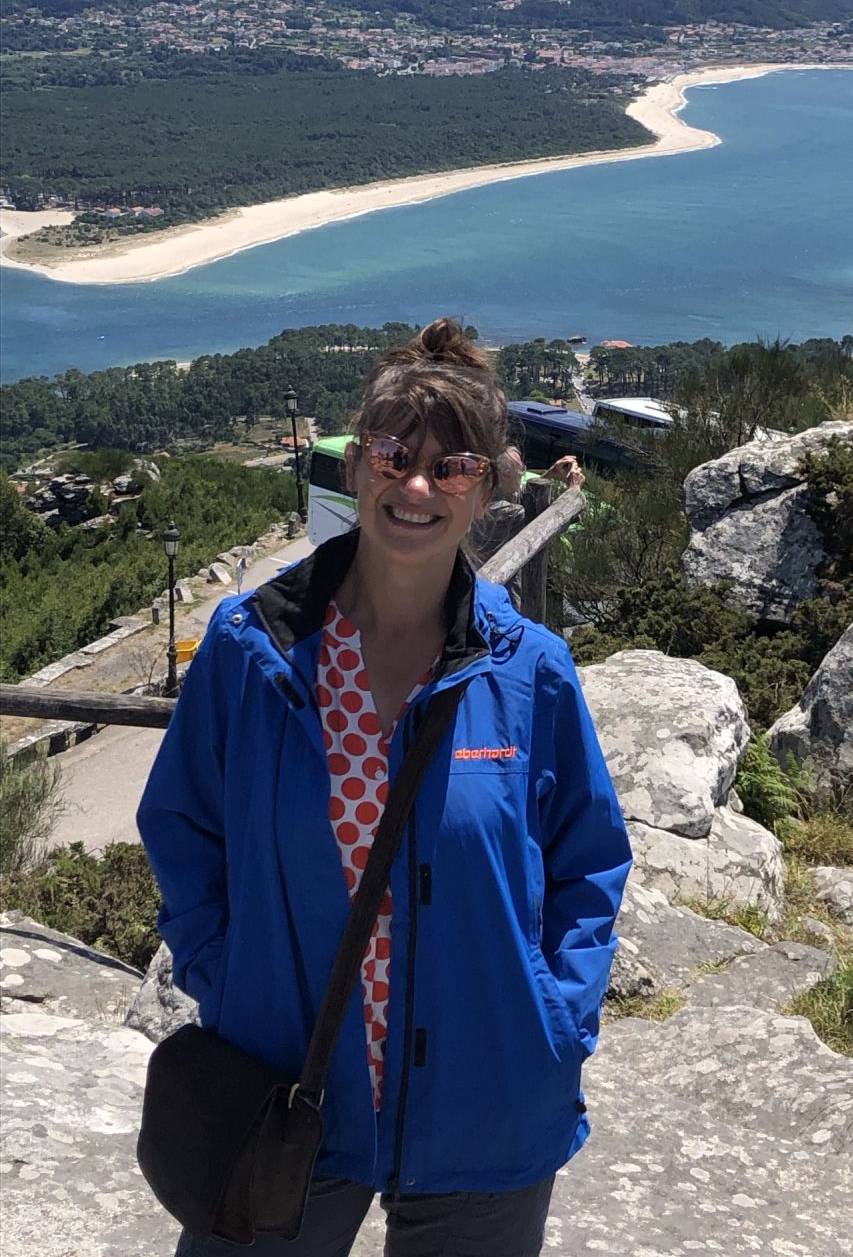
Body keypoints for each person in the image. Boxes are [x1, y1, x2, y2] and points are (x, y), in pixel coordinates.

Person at [138, 319, 632, 1257]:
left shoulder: (530, 670)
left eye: (452, 468)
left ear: (491, 485)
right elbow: (180, 824)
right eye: (395, 455)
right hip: (282, 1078)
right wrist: (221, 971)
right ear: (358, 464)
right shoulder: (253, 651)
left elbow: (589, 859)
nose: (416, 486)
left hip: (488, 1097)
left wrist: (557, 1015)